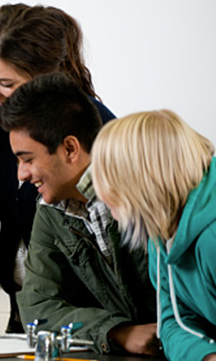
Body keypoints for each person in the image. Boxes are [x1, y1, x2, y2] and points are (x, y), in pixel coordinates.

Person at [0, 3, 117, 333]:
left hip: (89, 317)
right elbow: (13, 211)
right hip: (29, 303)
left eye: (5, 83)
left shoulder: (102, 134)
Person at [0, 72, 158, 356]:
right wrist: (117, 332)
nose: (21, 174)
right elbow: (37, 308)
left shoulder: (148, 191)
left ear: (70, 149)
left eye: (28, 159)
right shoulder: (50, 211)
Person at [91, 110, 216, 361]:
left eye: (109, 177)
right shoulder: (161, 231)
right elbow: (173, 323)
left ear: (143, 178)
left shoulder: (211, 237)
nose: (100, 192)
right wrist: (205, 356)